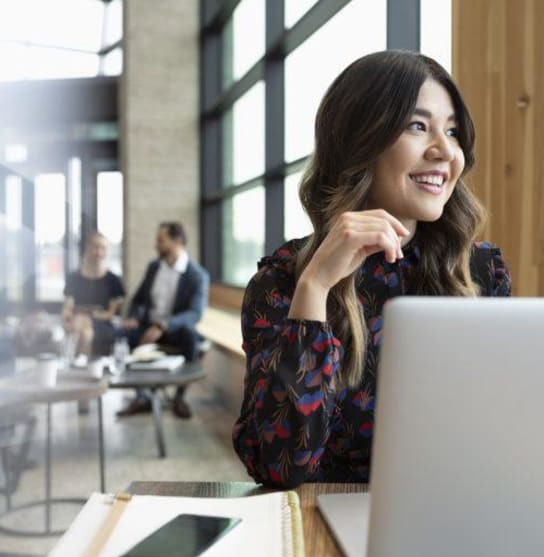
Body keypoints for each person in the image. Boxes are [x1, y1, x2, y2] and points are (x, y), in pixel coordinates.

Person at [232, 50, 512, 489]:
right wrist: (316, 287)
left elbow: (499, 437)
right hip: (325, 524)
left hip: (452, 517)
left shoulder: (481, 272)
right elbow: (278, 466)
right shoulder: (283, 281)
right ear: (361, 140)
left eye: (453, 131)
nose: (444, 151)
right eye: (418, 126)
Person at [116, 222, 209, 419]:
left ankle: (179, 398)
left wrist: (163, 326)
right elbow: (139, 299)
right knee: (119, 336)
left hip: (174, 330)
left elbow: (195, 313)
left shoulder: (197, 275)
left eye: (161, 240)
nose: (156, 245)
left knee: (191, 339)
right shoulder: (154, 267)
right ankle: (142, 397)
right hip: (147, 326)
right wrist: (133, 317)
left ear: (177, 241)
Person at [62, 232, 125, 359]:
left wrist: (89, 316)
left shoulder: (113, 280)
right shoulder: (74, 277)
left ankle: (76, 364)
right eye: (95, 247)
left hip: (102, 322)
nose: (99, 252)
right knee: (84, 331)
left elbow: (110, 313)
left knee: (84, 329)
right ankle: (84, 366)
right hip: (77, 321)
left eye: (103, 248)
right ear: (87, 248)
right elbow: (68, 305)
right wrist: (65, 317)